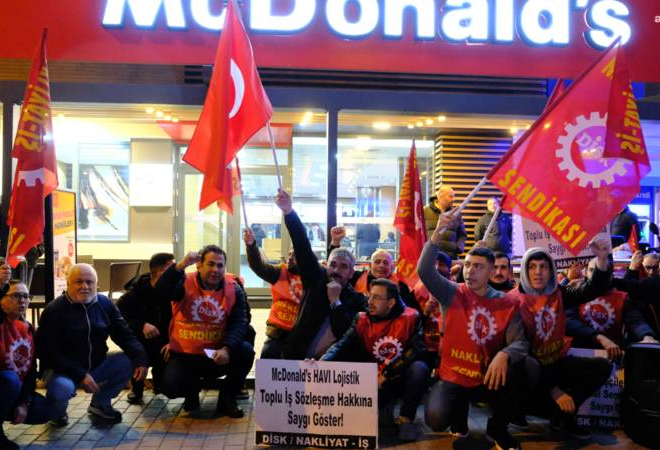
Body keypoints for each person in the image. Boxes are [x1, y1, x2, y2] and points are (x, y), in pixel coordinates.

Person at [419, 212, 528, 450]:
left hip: (486, 376)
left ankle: (498, 428)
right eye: (467, 265)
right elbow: (425, 272)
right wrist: (437, 232)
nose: (470, 271)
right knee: (435, 420)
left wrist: (505, 354)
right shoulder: (452, 292)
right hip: (453, 376)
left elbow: (520, 343)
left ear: (491, 273)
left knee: (526, 367)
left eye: (478, 266)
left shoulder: (507, 302)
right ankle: (458, 415)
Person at [510, 245, 613, 439]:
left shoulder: (558, 293)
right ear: (524, 270)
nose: (538, 272)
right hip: (529, 373)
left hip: (556, 364)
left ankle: (563, 417)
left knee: (601, 367)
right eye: (532, 267)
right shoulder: (513, 301)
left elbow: (591, 290)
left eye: (543, 267)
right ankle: (524, 411)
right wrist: (555, 391)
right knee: (528, 368)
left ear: (551, 271)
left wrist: (601, 259)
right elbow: (522, 353)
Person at [36, 264, 148, 426]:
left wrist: (141, 359)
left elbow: (124, 334)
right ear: (68, 284)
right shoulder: (55, 310)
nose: (85, 287)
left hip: (96, 366)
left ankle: (100, 404)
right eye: (78, 282)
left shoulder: (105, 304)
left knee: (129, 360)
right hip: (62, 371)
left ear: (96, 284)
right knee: (62, 389)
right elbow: (47, 352)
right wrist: (80, 375)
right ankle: (57, 413)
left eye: (90, 282)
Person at [322, 278, 429, 441]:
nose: (370, 302)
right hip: (371, 379)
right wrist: (322, 361)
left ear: (391, 302)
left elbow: (416, 352)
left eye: (377, 298)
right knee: (377, 420)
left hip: (398, 377)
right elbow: (341, 345)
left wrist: (386, 374)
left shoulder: (412, 317)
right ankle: (383, 407)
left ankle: (406, 418)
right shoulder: (361, 319)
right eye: (370, 296)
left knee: (420, 369)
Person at [155, 245, 254, 418]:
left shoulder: (234, 288)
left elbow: (241, 322)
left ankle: (227, 400)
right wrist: (180, 265)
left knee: (245, 351)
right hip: (186, 356)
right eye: (211, 264)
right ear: (199, 266)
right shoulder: (183, 283)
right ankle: (191, 392)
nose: (216, 269)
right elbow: (160, 291)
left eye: (220, 265)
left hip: (216, 355)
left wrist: (227, 348)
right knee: (170, 386)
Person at [275, 189, 366, 360]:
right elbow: (302, 245)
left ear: (351, 273)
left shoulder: (357, 300)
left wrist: (335, 302)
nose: (337, 270)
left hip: (332, 372)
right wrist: (289, 212)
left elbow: (347, 334)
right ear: (326, 266)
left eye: (343, 266)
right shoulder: (315, 279)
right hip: (296, 360)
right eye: (332, 264)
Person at [1, 281, 60, 450]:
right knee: (9, 379)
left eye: (26, 296)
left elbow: (31, 369)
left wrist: (24, 403)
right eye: (15, 296)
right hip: (5, 383)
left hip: (11, 389)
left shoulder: (28, 328)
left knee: (46, 410)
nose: (22, 301)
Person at [566, 257, 658, 357]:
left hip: (613, 352)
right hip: (583, 350)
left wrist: (647, 336)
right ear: (586, 272)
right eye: (592, 270)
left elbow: (636, 321)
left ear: (610, 275)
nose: (596, 274)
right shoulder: (576, 294)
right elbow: (569, 321)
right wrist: (597, 336)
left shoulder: (622, 297)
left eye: (602, 270)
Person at [116, 252, 175, 404]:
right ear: (160, 272)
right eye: (172, 268)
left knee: (167, 379)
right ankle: (137, 388)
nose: (176, 272)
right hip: (141, 341)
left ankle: (159, 382)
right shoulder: (136, 292)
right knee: (139, 352)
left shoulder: (173, 290)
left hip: (166, 340)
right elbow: (119, 317)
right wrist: (141, 325)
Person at [329, 226, 418, 312]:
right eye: (377, 262)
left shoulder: (401, 286)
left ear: (392, 268)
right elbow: (336, 271)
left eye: (386, 263)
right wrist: (335, 243)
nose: (381, 265)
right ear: (370, 266)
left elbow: (411, 311)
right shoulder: (356, 277)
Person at [243, 227, 301, 359]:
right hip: (278, 333)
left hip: (303, 333)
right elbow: (258, 266)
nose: (290, 258)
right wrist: (251, 245)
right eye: (290, 254)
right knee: (268, 356)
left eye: (295, 255)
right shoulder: (280, 272)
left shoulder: (315, 275)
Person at [412, 250, 451, 370]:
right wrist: (425, 313)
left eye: (442, 264)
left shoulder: (457, 290)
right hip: (424, 348)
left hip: (450, 347)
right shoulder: (416, 291)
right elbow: (410, 325)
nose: (437, 267)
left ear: (449, 269)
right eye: (434, 264)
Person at [423, 185, 467, 260]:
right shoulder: (424, 212)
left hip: (450, 259)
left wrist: (459, 247)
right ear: (440, 197)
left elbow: (462, 234)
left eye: (454, 196)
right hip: (430, 257)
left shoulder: (456, 214)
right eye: (450, 196)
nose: (453, 199)